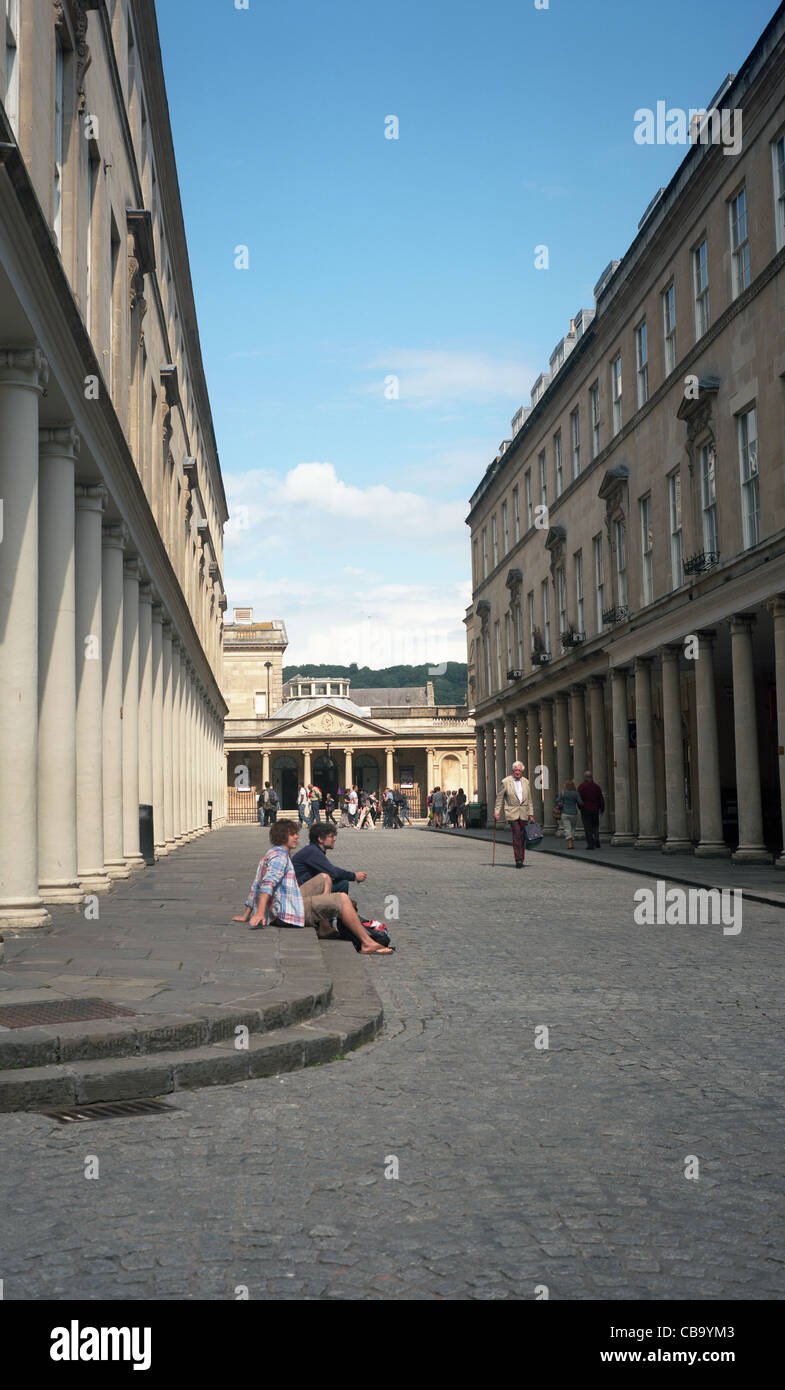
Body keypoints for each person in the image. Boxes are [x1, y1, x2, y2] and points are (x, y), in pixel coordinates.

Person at [234, 820, 392, 954]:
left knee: (325, 877)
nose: (297, 837)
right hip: (285, 911)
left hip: (288, 900)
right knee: (343, 899)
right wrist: (260, 912)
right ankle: (367, 942)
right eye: (293, 834)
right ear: (283, 836)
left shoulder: (272, 853)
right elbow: (267, 883)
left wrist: (246, 913)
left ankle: (324, 926)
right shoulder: (280, 857)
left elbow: (256, 884)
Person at [292, 822, 368, 896]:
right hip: (300, 892)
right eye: (331, 836)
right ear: (320, 839)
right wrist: (354, 876)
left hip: (303, 886)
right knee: (343, 884)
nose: (334, 839)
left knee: (340, 882)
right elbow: (333, 872)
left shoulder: (313, 850)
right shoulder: (312, 851)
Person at [494, 760, 535, 868]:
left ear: (522, 771)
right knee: (517, 834)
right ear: (513, 771)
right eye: (516, 770)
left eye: (519, 770)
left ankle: (521, 857)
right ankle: (518, 859)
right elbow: (500, 798)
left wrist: (531, 814)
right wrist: (497, 812)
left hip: (524, 813)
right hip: (512, 813)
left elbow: (529, 799)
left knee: (523, 836)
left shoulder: (526, 781)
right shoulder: (506, 782)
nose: (518, 772)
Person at [577, 769, 605, 849]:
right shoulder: (596, 786)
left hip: (585, 809)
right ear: (591, 777)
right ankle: (596, 840)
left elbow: (579, 799)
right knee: (595, 826)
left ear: (585, 777)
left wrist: (580, 807)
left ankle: (590, 844)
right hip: (595, 809)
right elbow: (601, 798)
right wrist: (602, 808)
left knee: (588, 827)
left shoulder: (581, 787)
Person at [557, 779, 583, 850]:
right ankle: (572, 841)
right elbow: (580, 803)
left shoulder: (563, 792)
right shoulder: (576, 793)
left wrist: (562, 801)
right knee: (573, 828)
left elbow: (557, 800)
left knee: (567, 828)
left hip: (565, 812)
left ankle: (570, 843)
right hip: (574, 813)